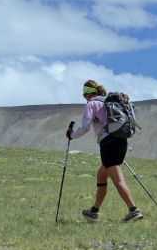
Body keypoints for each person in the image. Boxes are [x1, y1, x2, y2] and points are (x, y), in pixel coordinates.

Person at [66, 79, 143, 222]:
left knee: (117, 179)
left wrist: (72, 135)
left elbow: (85, 127)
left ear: (87, 94)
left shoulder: (92, 104)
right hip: (122, 141)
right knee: (102, 174)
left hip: (108, 143)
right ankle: (94, 211)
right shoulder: (109, 103)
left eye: (84, 95)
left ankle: (133, 210)